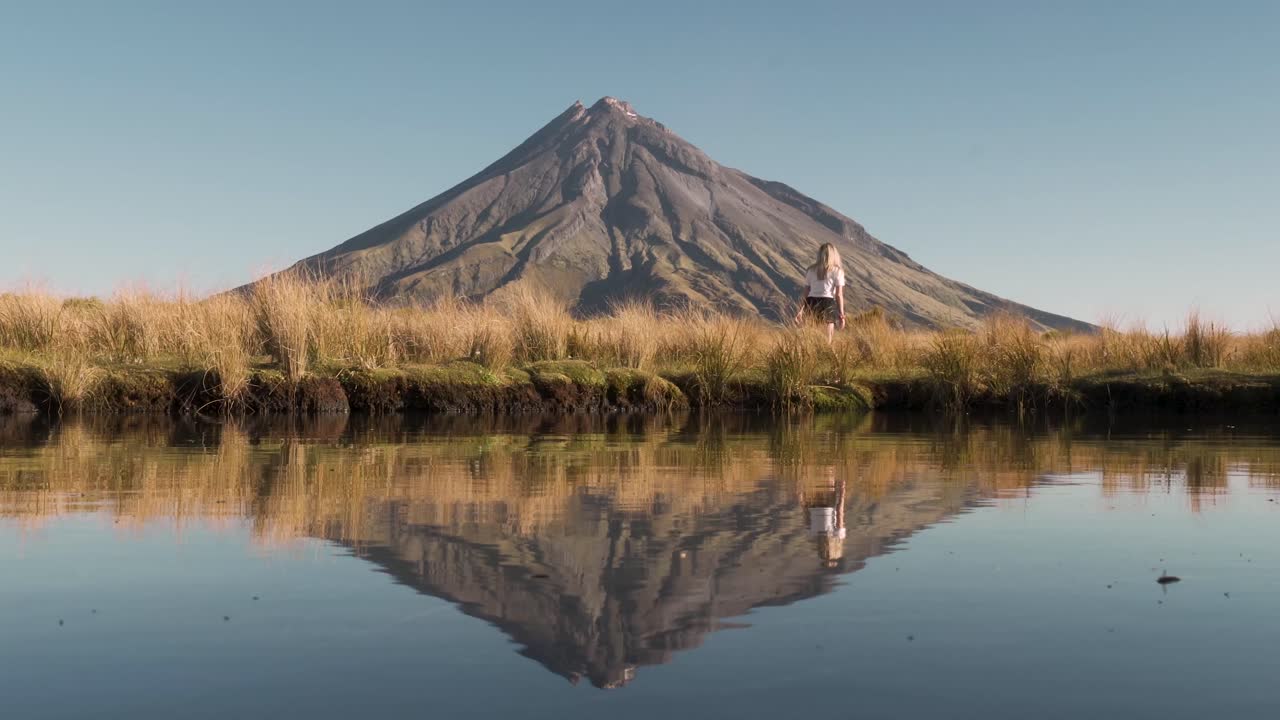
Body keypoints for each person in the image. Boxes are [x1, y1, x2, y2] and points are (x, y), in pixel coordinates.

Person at [794, 242, 846, 343]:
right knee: (827, 340)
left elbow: (806, 292)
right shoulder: (837, 271)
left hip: (811, 302)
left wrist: (799, 310)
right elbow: (839, 295)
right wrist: (841, 314)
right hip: (828, 303)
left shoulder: (811, 270)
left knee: (810, 337)